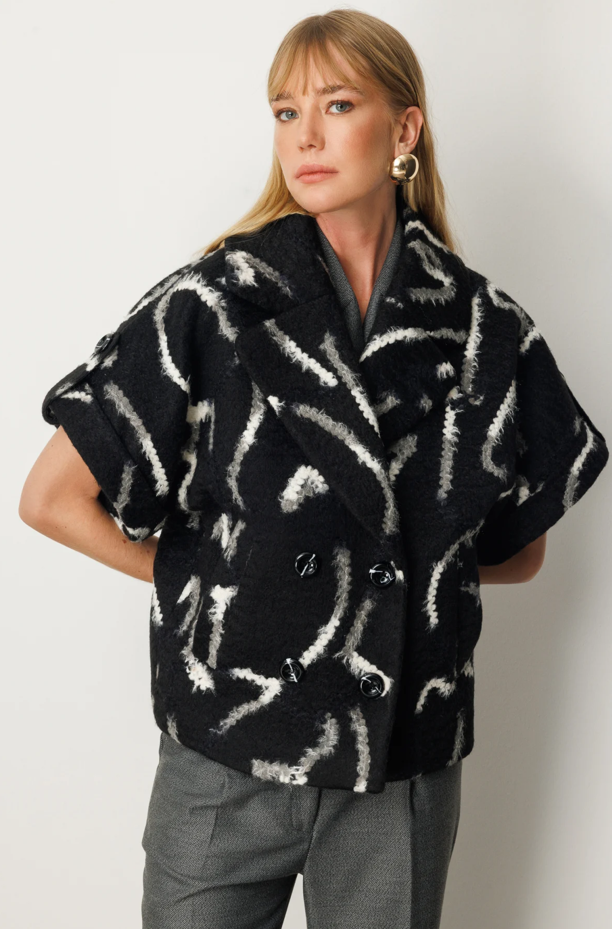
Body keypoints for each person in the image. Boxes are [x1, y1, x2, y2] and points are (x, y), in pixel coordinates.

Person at [19, 9, 609, 929]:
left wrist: (391, 585)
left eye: (336, 105)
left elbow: (516, 549)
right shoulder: (213, 304)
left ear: (404, 128)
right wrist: (210, 580)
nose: (305, 136)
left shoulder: (483, 328)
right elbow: (52, 497)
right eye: (285, 112)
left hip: (400, 763)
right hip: (226, 751)